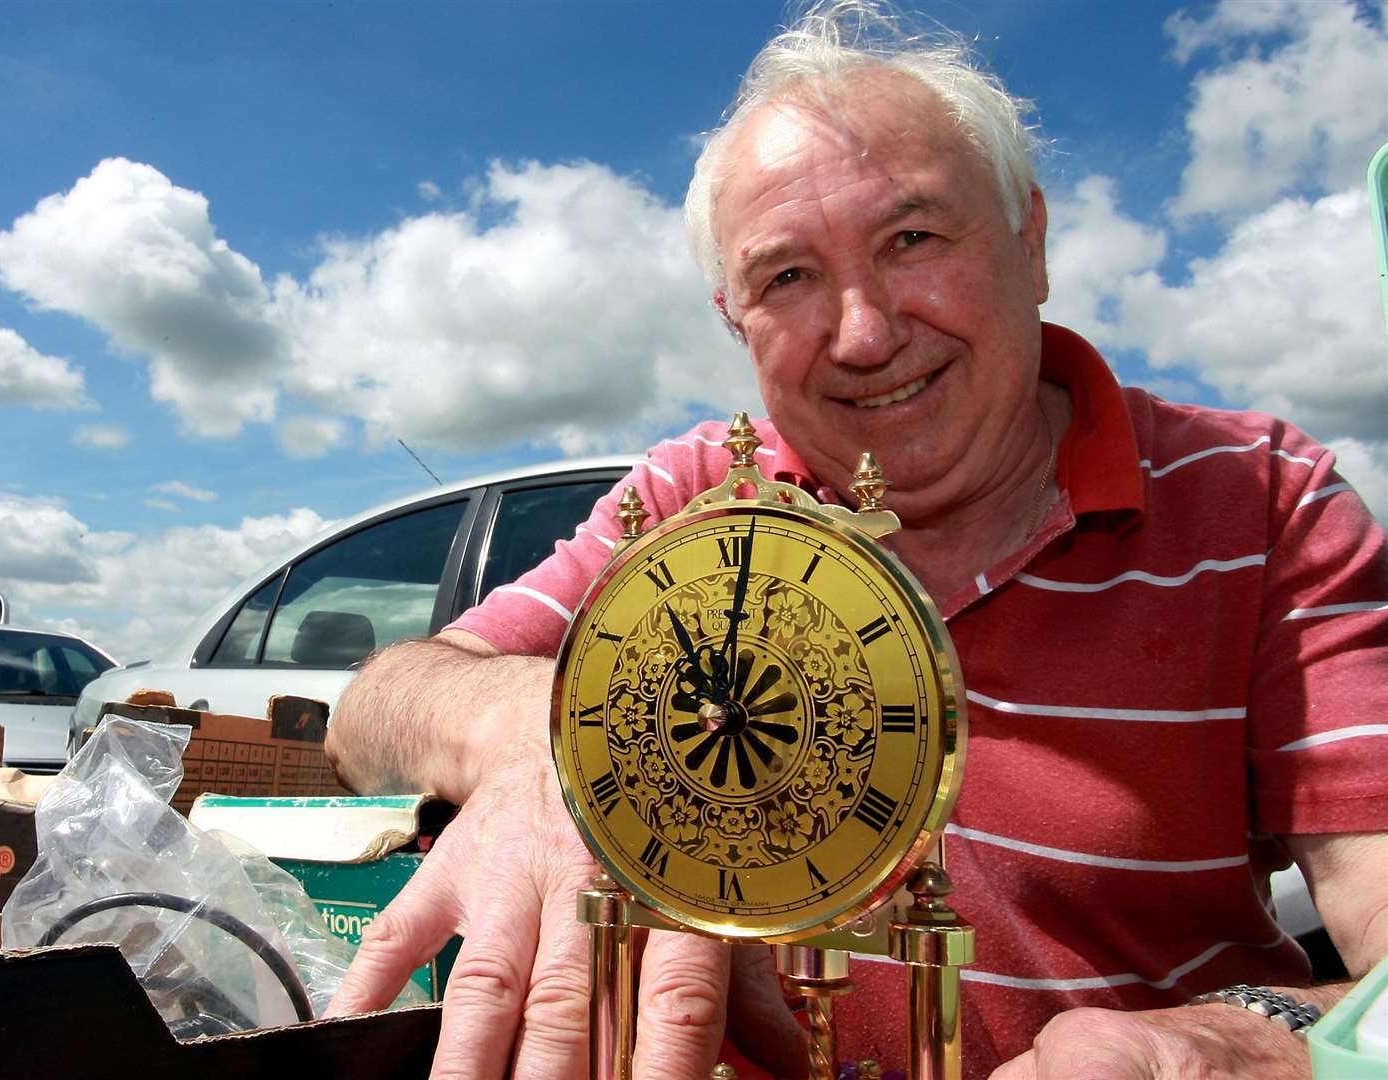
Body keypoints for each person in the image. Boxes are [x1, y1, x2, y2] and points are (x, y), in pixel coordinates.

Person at [322, 2, 1388, 1076]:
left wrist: (1240, 1042)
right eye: (787, 277)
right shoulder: (695, 496)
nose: (866, 334)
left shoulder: (1261, 502)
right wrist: (553, 747)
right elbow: (374, 707)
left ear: (1032, 241)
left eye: (912, 238)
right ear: (736, 322)